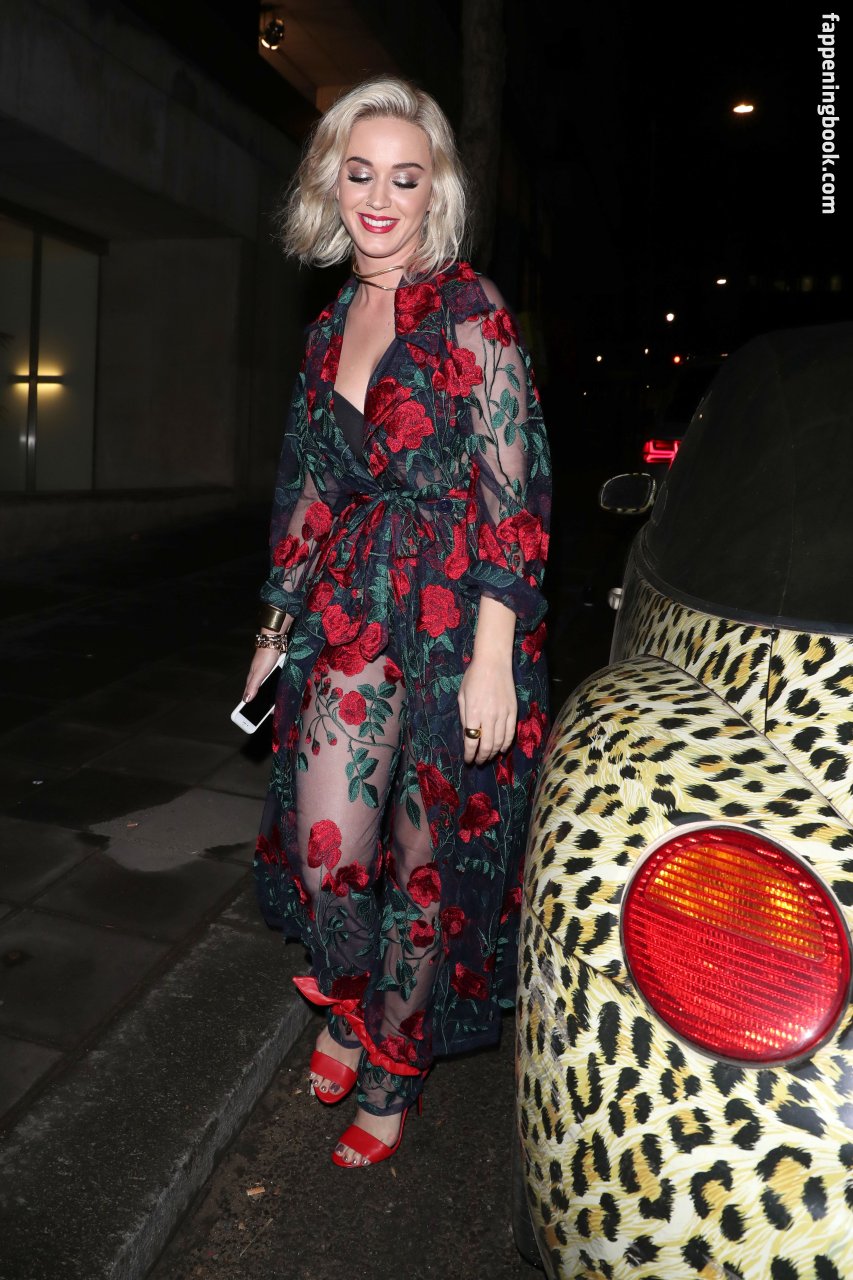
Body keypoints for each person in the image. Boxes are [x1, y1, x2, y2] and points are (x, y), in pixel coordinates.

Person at [243, 75, 551, 1169]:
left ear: (435, 193)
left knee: (424, 858)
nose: (379, 199)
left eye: (404, 178)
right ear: (332, 184)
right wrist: (272, 633)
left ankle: (389, 1060)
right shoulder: (330, 326)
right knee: (330, 849)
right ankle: (353, 991)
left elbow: (514, 494)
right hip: (350, 607)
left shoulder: (470, 310)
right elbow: (307, 490)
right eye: (360, 173)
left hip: (455, 612)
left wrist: (492, 658)